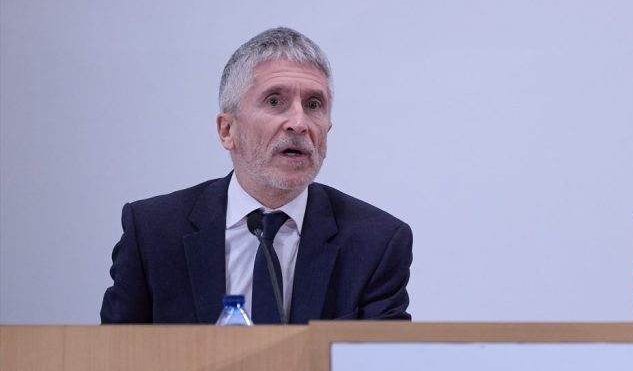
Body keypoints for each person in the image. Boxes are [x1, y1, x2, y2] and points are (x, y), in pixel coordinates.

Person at [101, 27, 412, 323]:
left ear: (327, 129)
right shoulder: (153, 233)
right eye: (274, 101)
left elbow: (384, 369)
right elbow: (114, 361)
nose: (299, 123)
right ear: (227, 130)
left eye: (314, 104)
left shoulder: (376, 243)